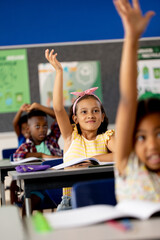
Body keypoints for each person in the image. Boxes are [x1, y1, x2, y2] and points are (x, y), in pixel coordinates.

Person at [45, 49, 115, 209]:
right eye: (84, 112)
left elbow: (122, 155)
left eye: (96, 111)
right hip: (70, 203)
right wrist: (59, 71)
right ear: (75, 118)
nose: (90, 115)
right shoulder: (71, 136)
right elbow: (57, 108)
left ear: (102, 116)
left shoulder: (107, 137)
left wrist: (92, 160)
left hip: (101, 200)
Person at [113, 0, 159, 202]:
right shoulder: (127, 164)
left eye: (159, 134)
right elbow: (128, 101)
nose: (152, 145)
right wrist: (131, 39)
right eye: (141, 137)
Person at [12, 103, 63, 215]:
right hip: (37, 186)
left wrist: (38, 107)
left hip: (57, 184)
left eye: (45, 126)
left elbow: (60, 118)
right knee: (29, 201)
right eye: (37, 126)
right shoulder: (26, 146)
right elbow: (17, 156)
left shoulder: (52, 140)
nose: (42, 130)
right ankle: (24, 227)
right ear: (28, 129)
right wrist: (42, 155)